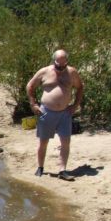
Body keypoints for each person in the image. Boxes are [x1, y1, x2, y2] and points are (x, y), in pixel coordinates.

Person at [26, 49, 84, 181]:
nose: (61, 67)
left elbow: (80, 87)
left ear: (67, 62)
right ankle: (40, 167)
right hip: (46, 111)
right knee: (43, 142)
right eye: (59, 64)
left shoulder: (72, 72)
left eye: (64, 64)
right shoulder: (44, 71)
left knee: (66, 142)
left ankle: (62, 170)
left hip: (65, 113)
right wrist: (33, 104)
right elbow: (30, 86)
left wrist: (75, 105)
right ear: (54, 61)